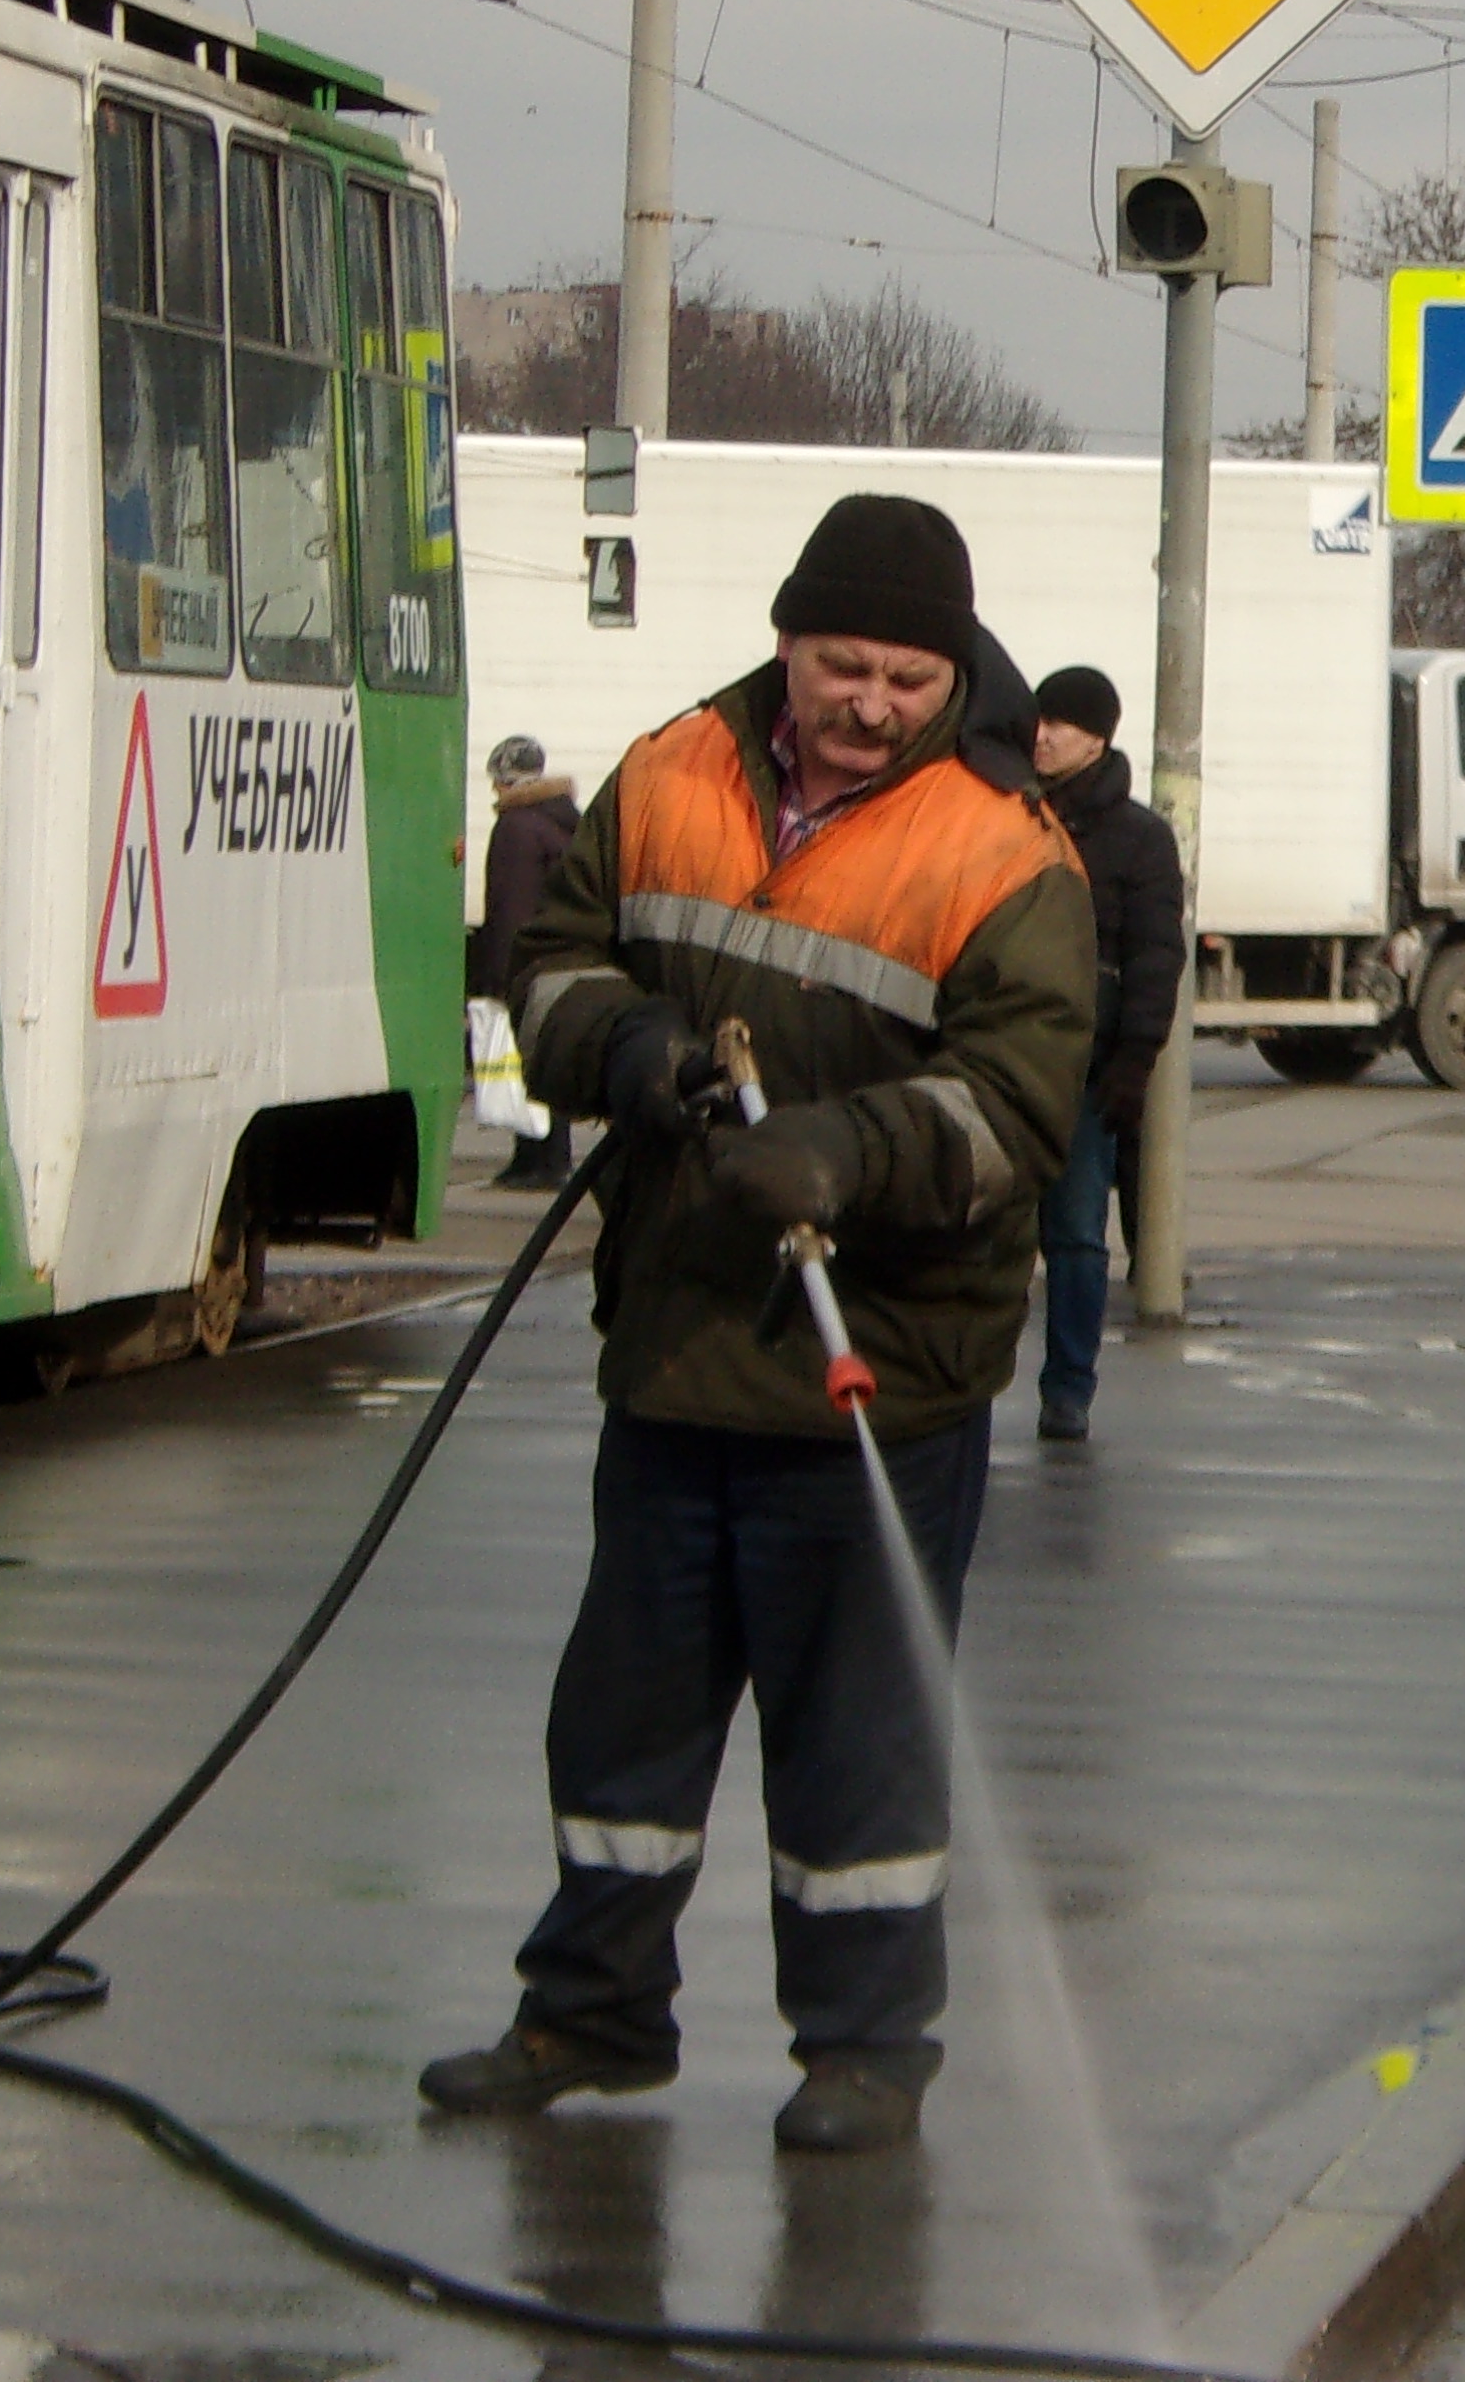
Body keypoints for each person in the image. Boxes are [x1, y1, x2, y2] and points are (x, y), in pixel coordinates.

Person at [421, 494, 1094, 2153]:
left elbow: (1016, 1108)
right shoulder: (669, 776)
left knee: (856, 1744)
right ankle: (589, 2017)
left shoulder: (1007, 855)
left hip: (871, 1379)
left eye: (907, 677)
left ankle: (863, 2049)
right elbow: (552, 958)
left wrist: (843, 1150)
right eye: (839, 662)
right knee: (621, 1718)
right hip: (672, 1348)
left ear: (956, 676)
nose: (868, 702)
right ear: (786, 640)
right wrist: (625, 1050)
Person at [1021, 665, 1184, 1444]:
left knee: (1077, 1232)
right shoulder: (1008, 816)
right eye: (1039, 720)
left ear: (1099, 737)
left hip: (1087, 1071)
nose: (1042, 735)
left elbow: (1158, 958)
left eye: (1062, 724)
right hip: (1005, 1056)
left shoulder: (1139, 838)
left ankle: (1068, 1389)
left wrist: (1134, 1063)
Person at [473, 736, 582, 1191]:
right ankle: (548, 1155)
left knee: (521, 1061)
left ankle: (536, 1160)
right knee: (547, 1055)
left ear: (506, 781)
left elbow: (510, 910)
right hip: (566, 957)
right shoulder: (566, 820)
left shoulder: (516, 829)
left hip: (528, 962)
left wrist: (495, 975)